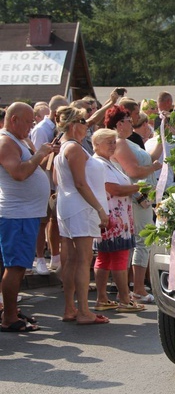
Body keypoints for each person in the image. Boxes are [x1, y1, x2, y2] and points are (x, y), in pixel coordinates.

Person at [0, 102, 55, 332]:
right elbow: (19, 172)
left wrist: (46, 153)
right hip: (16, 215)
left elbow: (32, 166)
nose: (32, 125)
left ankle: (8, 310)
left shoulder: (20, 140)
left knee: (14, 265)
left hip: (25, 214)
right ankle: (9, 318)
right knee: (16, 267)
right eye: (29, 120)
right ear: (14, 120)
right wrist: (40, 153)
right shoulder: (6, 141)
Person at [54, 105, 110, 325]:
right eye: (82, 122)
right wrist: (99, 208)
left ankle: (71, 308)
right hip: (80, 207)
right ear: (72, 125)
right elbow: (80, 183)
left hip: (69, 206)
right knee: (83, 259)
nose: (86, 126)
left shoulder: (66, 147)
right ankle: (84, 311)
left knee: (72, 260)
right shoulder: (74, 149)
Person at [105, 106, 162, 303]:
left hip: (141, 194)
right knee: (142, 241)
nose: (132, 122)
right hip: (136, 197)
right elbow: (134, 171)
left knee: (140, 241)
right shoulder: (120, 143)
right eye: (128, 119)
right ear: (119, 124)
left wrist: (163, 138)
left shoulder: (127, 142)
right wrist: (153, 168)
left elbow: (149, 159)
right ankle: (137, 287)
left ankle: (134, 287)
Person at [91, 129, 145, 313]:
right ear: (97, 144)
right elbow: (115, 189)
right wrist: (139, 187)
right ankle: (124, 299)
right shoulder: (99, 164)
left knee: (105, 258)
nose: (113, 146)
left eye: (114, 142)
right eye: (109, 142)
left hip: (116, 215)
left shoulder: (107, 162)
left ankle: (103, 298)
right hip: (113, 217)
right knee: (118, 258)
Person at [30, 95, 68, 274]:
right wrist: (50, 151)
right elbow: (36, 160)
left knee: (54, 219)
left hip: (54, 182)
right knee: (42, 221)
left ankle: (55, 257)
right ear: (55, 113)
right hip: (42, 181)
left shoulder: (57, 128)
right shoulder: (41, 129)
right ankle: (39, 258)